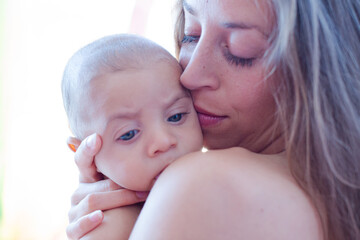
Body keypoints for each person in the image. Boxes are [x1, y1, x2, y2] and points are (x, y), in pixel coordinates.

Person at [66, 0, 360, 239]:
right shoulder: (332, 198)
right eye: (190, 36)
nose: (189, 75)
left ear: (316, 70)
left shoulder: (201, 185)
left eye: (240, 50)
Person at [61, 34, 203, 239]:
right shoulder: (112, 225)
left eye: (176, 116)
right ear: (85, 153)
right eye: (128, 134)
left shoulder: (217, 175)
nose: (163, 141)